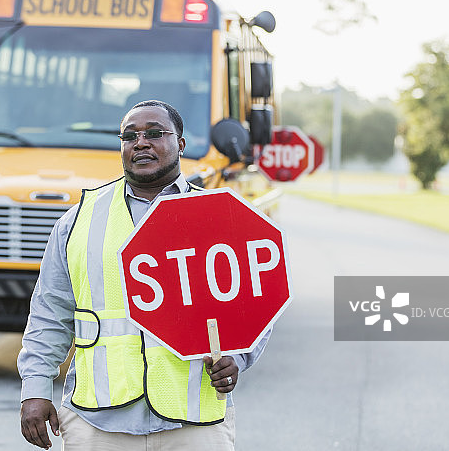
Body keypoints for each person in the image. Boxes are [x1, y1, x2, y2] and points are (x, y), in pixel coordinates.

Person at [18, 100, 270, 450]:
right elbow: (50, 312)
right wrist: (34, 390)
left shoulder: (217, 216)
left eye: (154, 133)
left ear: (180, 144)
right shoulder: (78, 222)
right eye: (130, 135)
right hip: (99, 421)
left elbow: (256, 300)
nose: (141, 142)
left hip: (193, 422)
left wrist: (239, 357)